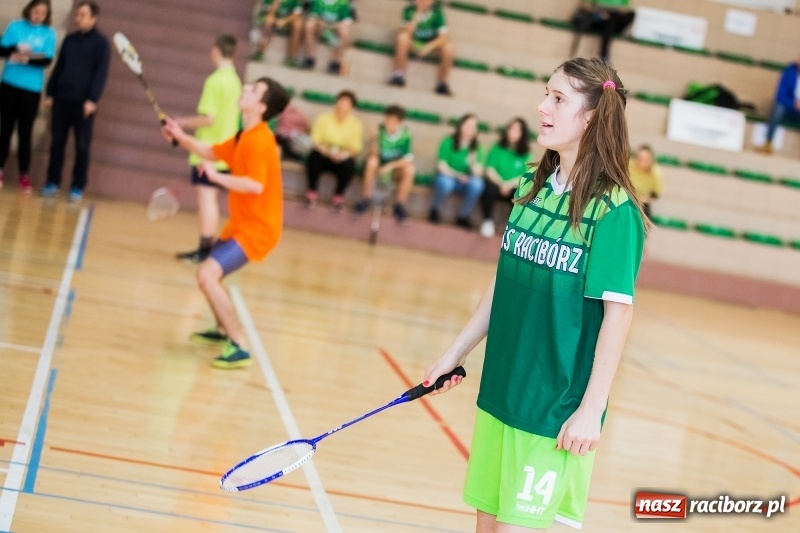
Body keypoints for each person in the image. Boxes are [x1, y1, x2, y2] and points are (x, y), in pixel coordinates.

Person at [423, 57, 646, 531]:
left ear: (590, 118)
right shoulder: (531, 185)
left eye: (558, 98)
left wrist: (590, 411)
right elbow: (503, 284)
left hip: (555, 412)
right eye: (546, 93)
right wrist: (453, 353)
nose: (542, 106)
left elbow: (617, 317)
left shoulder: (614, 211)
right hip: (501, 392)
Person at [161, 77, 290, 368]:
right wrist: (181, 136)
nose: (245, 89)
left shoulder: (260, 142)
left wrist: (216, 176)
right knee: (210, 275)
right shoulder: (245, 135)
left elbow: (255, 186)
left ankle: (239, 343)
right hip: (242, 225)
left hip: (258, 229)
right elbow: (212, 152)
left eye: (253, 90)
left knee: (206, 275)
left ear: (261, 106)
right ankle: (221, 329)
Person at [171, 35, 242, 264]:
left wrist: (180, 123)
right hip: (227, 149)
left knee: (207, 199)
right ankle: (208, 246)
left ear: (216, 51)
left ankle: (205, 248)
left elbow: (208, 119)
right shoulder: (235, 80)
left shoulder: (215, 81)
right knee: (209, 198)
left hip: (209, 151)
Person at [41, 0, 109, 203]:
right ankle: (52, 182)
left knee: (82, 146)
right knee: (57, 143)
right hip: (62, 99)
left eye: (82, 15)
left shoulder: (101, 44)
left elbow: (100, 74)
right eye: (77, 14)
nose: (77, 18)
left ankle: (77, 186)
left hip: (83, 105)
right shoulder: (69, 40)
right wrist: (50, 93)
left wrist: (92, 99)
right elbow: (59, 66)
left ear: (93, 18)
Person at [0, 0, 57, 192]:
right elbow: (3, 49)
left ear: (47, 14)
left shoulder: (49, 33)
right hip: (9, 84)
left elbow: (47, 59)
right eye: (36, 11)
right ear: (29, 10)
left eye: (43, 12)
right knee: (5, 129)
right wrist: (15, 50)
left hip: (31, 89)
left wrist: (29, 57)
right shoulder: (15, 27)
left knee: (25, 133)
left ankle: (24, 175)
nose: (38, 15)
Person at [352, 105, 414, 224]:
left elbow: (407, 159)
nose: (389, 123)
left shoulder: (406, 134)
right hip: (378, 167)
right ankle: (365, 199)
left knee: (410, 169)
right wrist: (375, 138)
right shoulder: (379, 130)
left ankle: (399, 206)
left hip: (394, 169)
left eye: (393, 121)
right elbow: (374, 154)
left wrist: (389, 166)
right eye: (387, 120)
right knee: (371, 162)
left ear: (400, 122)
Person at [304, 89, 363, 210]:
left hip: (341, 158)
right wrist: (325, 150)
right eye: (341, 102)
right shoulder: (323, 118)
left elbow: (356, 147)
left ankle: (338, 196)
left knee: (349, 165)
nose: (343, 106)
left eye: (347, 104)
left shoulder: (356, 124)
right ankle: (311, 192)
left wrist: (343, 154)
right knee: (313, 158)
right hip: (324, 154)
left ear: (352, 107)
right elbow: (315, 138)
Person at [428, 113, 485, 229]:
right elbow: (441, 166)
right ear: (461, 125)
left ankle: (463, 216)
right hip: (449, 177)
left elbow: (478, 172)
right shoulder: (448, 141)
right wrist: (458, 175)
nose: (471, 129)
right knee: (444, 182)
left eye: (474, 127)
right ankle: (435, 210)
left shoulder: (476, 148)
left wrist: (472, 162)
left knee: (477, 184)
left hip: (466, 181)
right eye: (468, 125)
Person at [387, 0, 454, 96]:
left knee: (449, 47)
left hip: (430, 44)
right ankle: (399, 74)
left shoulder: (437, 12)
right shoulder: (409, 10)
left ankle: (442, 83)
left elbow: (444, 36)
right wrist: (417, 15)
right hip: (413, 42)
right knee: (402, 38)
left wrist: (429, 46)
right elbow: (406, 32)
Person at [479, 117, 532, 238]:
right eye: (511, 129)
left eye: (517, 130)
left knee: (522, 192)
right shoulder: (497, 147)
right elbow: (489, 169)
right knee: (488, 187)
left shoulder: (526, 153)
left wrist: (508, 185)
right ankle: (487, 221)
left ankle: (510, 226)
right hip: (496, 184)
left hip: (512, 187)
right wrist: (501, 183)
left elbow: (525, 174)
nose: (513, 132)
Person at [758, 57, 800, 155]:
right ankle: (768, 142)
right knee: (778, 109)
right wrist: (794, 104)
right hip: (788, 109)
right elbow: (780, 96)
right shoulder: (790, 73)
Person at [570, 0, 635, 64]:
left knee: (621, 17)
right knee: (609, 24)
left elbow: (625, 9)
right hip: (598, 20)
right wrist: (601, 11)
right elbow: (585, 6)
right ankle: (604, 56)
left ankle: (604, 56)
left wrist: (611, 12)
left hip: (613, 19)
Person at [301, 0, 354, 74]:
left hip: (334, 27)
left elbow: (346, 21)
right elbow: (313, 16)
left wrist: (333, 26)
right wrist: (322, 24)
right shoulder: (317, 1)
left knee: (345, 32)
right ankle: (309, 58)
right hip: (320, 26)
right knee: (309, 25)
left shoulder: (343, 3)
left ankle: (336, 63)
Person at [249, 0, 304, 65]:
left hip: (286, 20)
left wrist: (284, 21)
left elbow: (297, 14)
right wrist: (276, 3)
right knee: (268, 20)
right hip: (271, 17)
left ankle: (291, 58)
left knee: (298, 24)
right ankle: (260, 52)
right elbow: (269, 13)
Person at [628, 144, 662, 219]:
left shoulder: (656, 172)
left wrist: (641, 199)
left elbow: (655, 194)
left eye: (646, 159)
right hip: (626, 198)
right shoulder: (628, 165)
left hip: (643, 202)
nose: (643, 161)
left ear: (651, 159)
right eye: (640, 158)